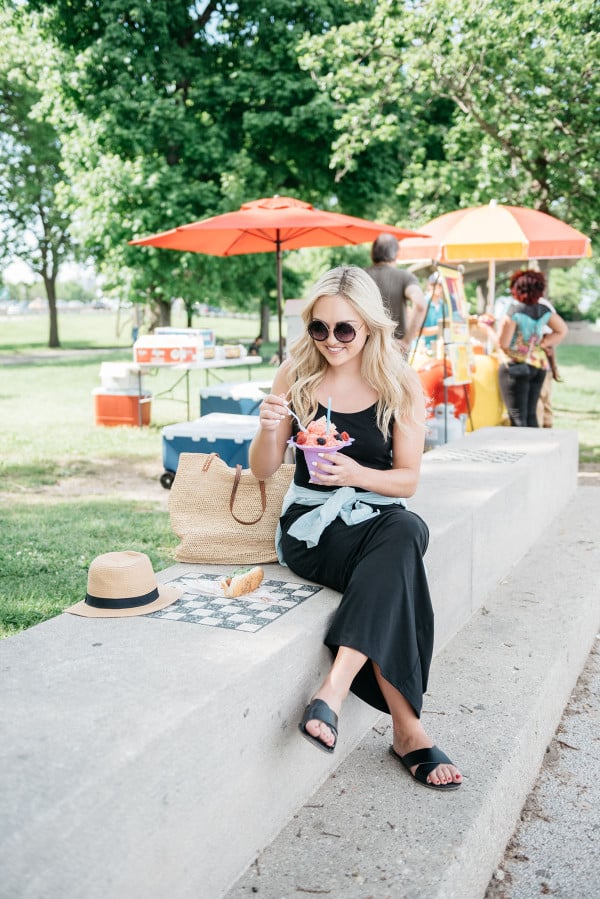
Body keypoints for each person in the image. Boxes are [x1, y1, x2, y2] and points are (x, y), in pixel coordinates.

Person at [249, 265, 462, 791]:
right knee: (402, 559)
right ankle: (408, 731)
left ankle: (334, 690)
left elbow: (408, 480)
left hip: (376, 515)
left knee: (405, 532)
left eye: (344, 329)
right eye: (319, 328)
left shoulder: (399, 382)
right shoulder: (294, 374)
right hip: (311, 529)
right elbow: (262, 468)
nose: (331, 341)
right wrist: (268, 425)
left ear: (369, 325)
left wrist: (357, 473)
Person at [497, 269, 567, 427]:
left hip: (516, 367)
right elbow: (562, 330)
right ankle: (534, 449)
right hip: (538, 365)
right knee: (530, 414)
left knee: (516, 417)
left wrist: (487, 329)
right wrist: (542, 343)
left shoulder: (514, 312)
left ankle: (521, 450)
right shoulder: (544, 310)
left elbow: (504, 344)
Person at [365, 233, 428, 355]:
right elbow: (420, 304)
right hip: (395, 350)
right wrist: (406, 341)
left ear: (372, 253)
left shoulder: (360, 276)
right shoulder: (405, 277)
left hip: (365, 349)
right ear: (396, 254)